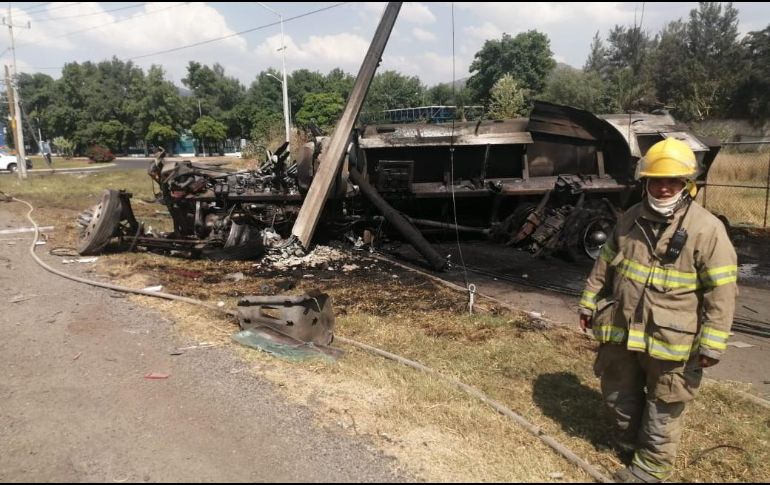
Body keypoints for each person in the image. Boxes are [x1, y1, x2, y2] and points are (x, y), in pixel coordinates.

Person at [578, 138, 738, 483]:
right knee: (619, 391)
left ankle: (650, 470)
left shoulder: (707, 230)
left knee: (664, 403)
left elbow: (722, 291)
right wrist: (588, 301)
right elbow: (604, 264)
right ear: (645, 182)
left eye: (672, 181)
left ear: (686, 185)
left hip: (672, 340)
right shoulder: (631, 219)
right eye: (656, 180)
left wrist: (712, 344)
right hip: (622, 329)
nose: (663, 188)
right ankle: (627, 447)